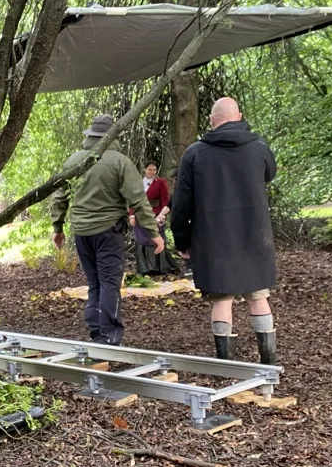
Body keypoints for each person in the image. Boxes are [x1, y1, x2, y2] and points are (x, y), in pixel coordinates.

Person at [170, 97, 277, 364]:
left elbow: (182, 202)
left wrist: (181, 239)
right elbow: (270, 174)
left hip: (213, 237)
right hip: (255, 234)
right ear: (240, 116)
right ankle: (268, 362)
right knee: (258, 296)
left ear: (211, 120)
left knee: (222, 299)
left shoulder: (194, 153)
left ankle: (227, 365)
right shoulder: (259, 147)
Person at [50, 113, 164, 346]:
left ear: (90, 135)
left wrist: (58, 227)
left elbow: (59, 197)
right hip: (108, 232)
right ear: (113, 135)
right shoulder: (119, 162)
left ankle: (96, 333)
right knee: (110, 284)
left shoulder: (74, 160)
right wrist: (153, 233)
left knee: (95, 284)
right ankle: (110, 339)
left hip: (81, 232)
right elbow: (138, 201)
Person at [129, 161, 180, 276]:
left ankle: (160, 267)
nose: (152, 172)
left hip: (154, 214)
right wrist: (131, 215)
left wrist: (161, 216)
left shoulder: (160, 182)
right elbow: (132, 199)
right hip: (139, 214)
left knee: (156, 238)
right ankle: (144, 268)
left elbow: (165, 200)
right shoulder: (138, 183)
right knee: (141, 239)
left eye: (154, 170)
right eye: (150, 169)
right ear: (145, 170)